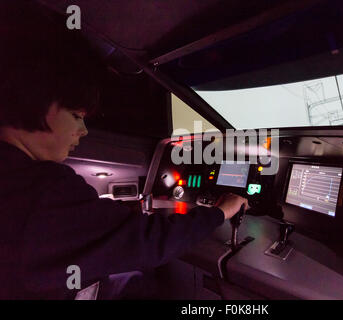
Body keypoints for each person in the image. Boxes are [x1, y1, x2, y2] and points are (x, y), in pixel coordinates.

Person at [0, 1, 248, 299]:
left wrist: (116, 219)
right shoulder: (42, 189)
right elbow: (150, 242)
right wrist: (221, 211)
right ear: (36, 103)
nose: (83, 130)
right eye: (77, 116)